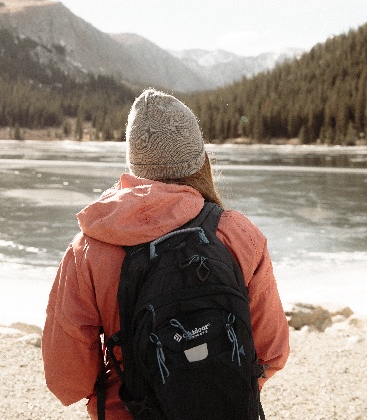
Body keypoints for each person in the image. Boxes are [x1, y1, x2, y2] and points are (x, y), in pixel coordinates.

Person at [42, 88, 290, 419]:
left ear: (134, 162)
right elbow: (271, 353)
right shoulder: (238, 234)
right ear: (200, 159)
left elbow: (67, 380)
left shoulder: (89, 249)